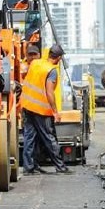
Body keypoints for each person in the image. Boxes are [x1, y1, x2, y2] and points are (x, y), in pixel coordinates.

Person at [21, 45, 72, 175]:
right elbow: (49, 92)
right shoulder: (52, 70)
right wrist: (55, 111)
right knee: (49, 138)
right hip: (41, 110)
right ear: (59, 58)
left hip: (27, 106)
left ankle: (29, 167)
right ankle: (60, 167)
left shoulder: (35, 63)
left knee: (30, 138)